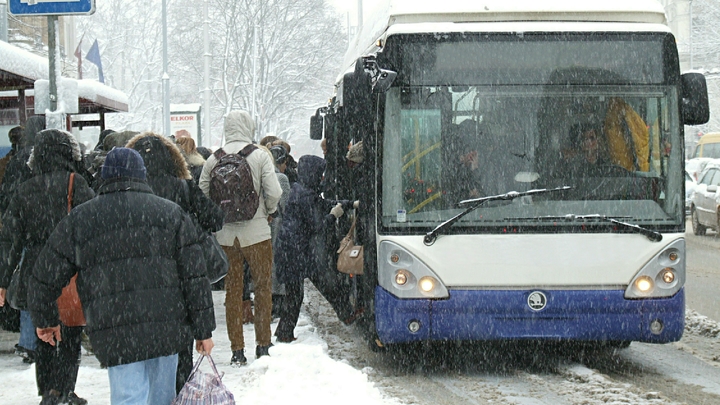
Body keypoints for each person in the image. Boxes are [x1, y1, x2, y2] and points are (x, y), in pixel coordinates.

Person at [27, 147, 216, 405]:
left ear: (105, 176)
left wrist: (46, 319)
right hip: (167, 327)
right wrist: (203, 330)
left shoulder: (83, 218)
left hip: (116, 329)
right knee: (162, 398)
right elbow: (195, 277)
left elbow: (44, 275)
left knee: (128, 397)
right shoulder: (171, 214)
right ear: (142, 175)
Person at [0, 129, 95, 405]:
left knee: (44, 330)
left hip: (35, 268)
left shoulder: (25, 189)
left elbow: (10, 240)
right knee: (70, 331)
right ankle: (65, 389)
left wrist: (3, 280)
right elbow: (92, 226)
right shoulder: (76, 183)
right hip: (68, 268)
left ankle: (48, 392)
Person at [126, 132, 224, 394]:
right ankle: (177, 394)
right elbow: (215, 219)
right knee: (178, 357)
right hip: (176, 282)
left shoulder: (126, 191)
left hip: (133, 283)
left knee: (137, 363)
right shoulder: (182, 187)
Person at [199, 110, 282, 365]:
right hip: (257, 234)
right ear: (248, 126)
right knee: (263, 287)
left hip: (225, 237)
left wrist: (218, 218)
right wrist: (267, 212)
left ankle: (237, 351)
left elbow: (202, 193)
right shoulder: (259, 155)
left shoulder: (214, 159)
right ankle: (263, 345)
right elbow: (275, 191)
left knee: (232, 292)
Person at [274, 155, 362, 342]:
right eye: (320, 174)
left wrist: (347, 205)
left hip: (294, 251)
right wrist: (333, 216)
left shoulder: (301, 190)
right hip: (295, 253)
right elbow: (318, 227)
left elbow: (322, 204)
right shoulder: (305, 195)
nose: (322, 178)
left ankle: (285, 332)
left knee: (315, 286)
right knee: (300, 294)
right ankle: (284, 335)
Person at [268, 145, 291, 318]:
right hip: (276, 224)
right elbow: (286, 204)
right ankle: (277, 300)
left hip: (262, 224)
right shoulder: (281, 178)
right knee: (277, 262)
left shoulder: (261, 174)